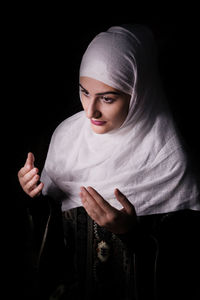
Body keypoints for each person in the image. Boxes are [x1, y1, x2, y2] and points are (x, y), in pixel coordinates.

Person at [18, 25, 200, 300]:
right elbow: (54, 234)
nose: (90, 111)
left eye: (107, 98)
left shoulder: (169, 158)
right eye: (84, 92)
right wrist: (34, 196)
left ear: (139, 93)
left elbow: (189, 264)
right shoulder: (67, 137)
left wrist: (132, 234)